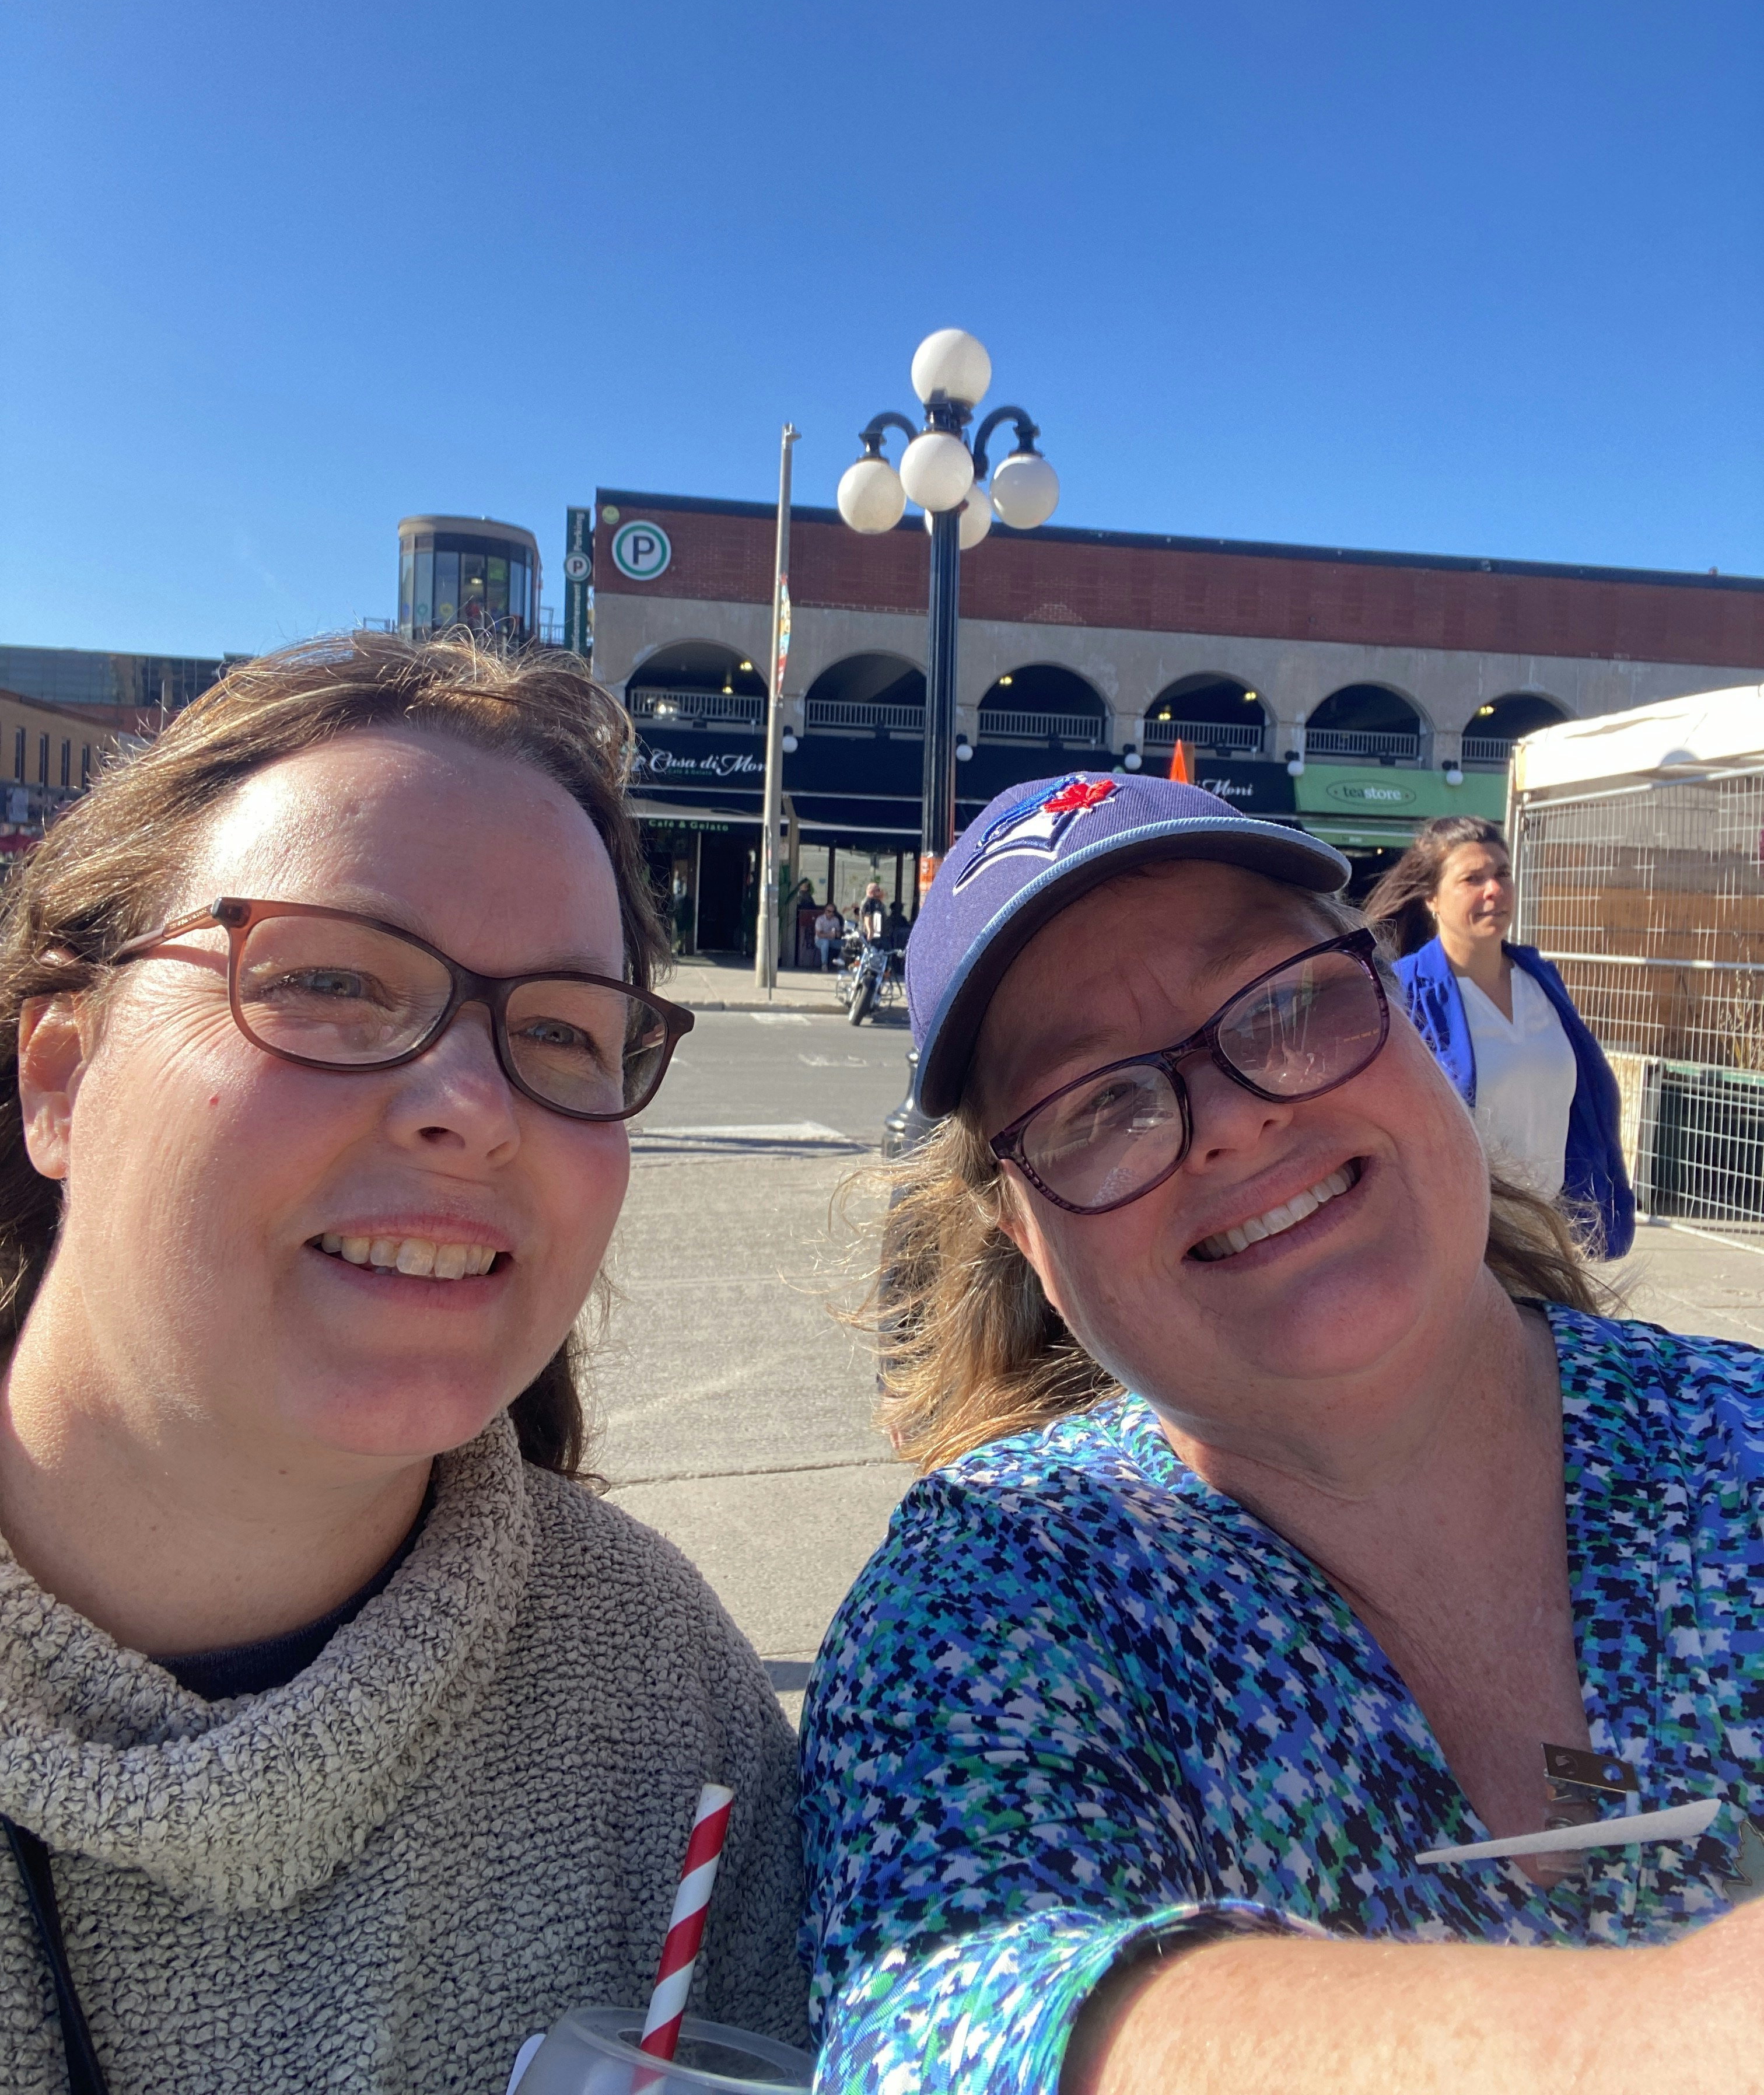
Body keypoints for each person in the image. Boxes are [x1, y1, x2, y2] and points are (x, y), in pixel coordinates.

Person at [799, 773, 1764, 2095]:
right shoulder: (1003, 1592)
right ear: (1024, 1235)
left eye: (1287, 1005)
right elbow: (946, 2023)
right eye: (1097, 1103)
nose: (1238, 1117)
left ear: (1404, 1016)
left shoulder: (1737, 1450)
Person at [0, 635, 808, 2094]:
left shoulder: (668, 1713)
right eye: (330, 981)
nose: (472, 1106)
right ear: (61, 1073)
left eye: (564, 1030)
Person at [1364, 815, 1633, 1257]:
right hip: (1462, 1243)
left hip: (1555, 1238)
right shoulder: (1404, 992)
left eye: (1502, 874)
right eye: (1473, 878)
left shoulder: (1541, 981)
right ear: (1431, 897)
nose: (1494, 890)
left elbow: (1586, 1105)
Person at [814, 901, 843, 973]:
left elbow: (839, 934)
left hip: (832, 940)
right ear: (825, 911)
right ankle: (824, 965)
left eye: (833, 912)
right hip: (820, 941)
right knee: (825, 943)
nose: (831, 913)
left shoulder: (836, 920)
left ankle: (842, 964)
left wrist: (837, 934)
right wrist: (829, 935)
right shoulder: (820, 920)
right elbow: (819, 935)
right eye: (829, 911)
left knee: (845, 944)